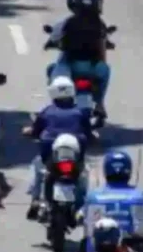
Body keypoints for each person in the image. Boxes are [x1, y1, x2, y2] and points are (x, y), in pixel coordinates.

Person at [23, 76, 94, 219]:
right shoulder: (80, 112)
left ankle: (35, 200)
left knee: (38, 167)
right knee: (83, 175)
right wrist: (92, 136)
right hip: (76, 158)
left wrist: (29, 132)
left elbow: (36, 131)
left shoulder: (47, 112)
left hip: (49, 158)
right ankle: (82, 207)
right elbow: (88, 132)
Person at [80, 151, 143, 252]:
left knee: (84, 245)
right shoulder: (139, 195)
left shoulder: (93, 196)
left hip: (97, 244)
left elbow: (85, 218)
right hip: (133, 242)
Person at [48, 0, 112, 114]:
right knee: (106, 71)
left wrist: (50, 42)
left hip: (69, 63)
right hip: (92, 66)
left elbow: (55, 36)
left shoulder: (68, 22)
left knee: (51, 70)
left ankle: (55, 106)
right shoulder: (100, 24)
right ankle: (100, 104)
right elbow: (103, 46)